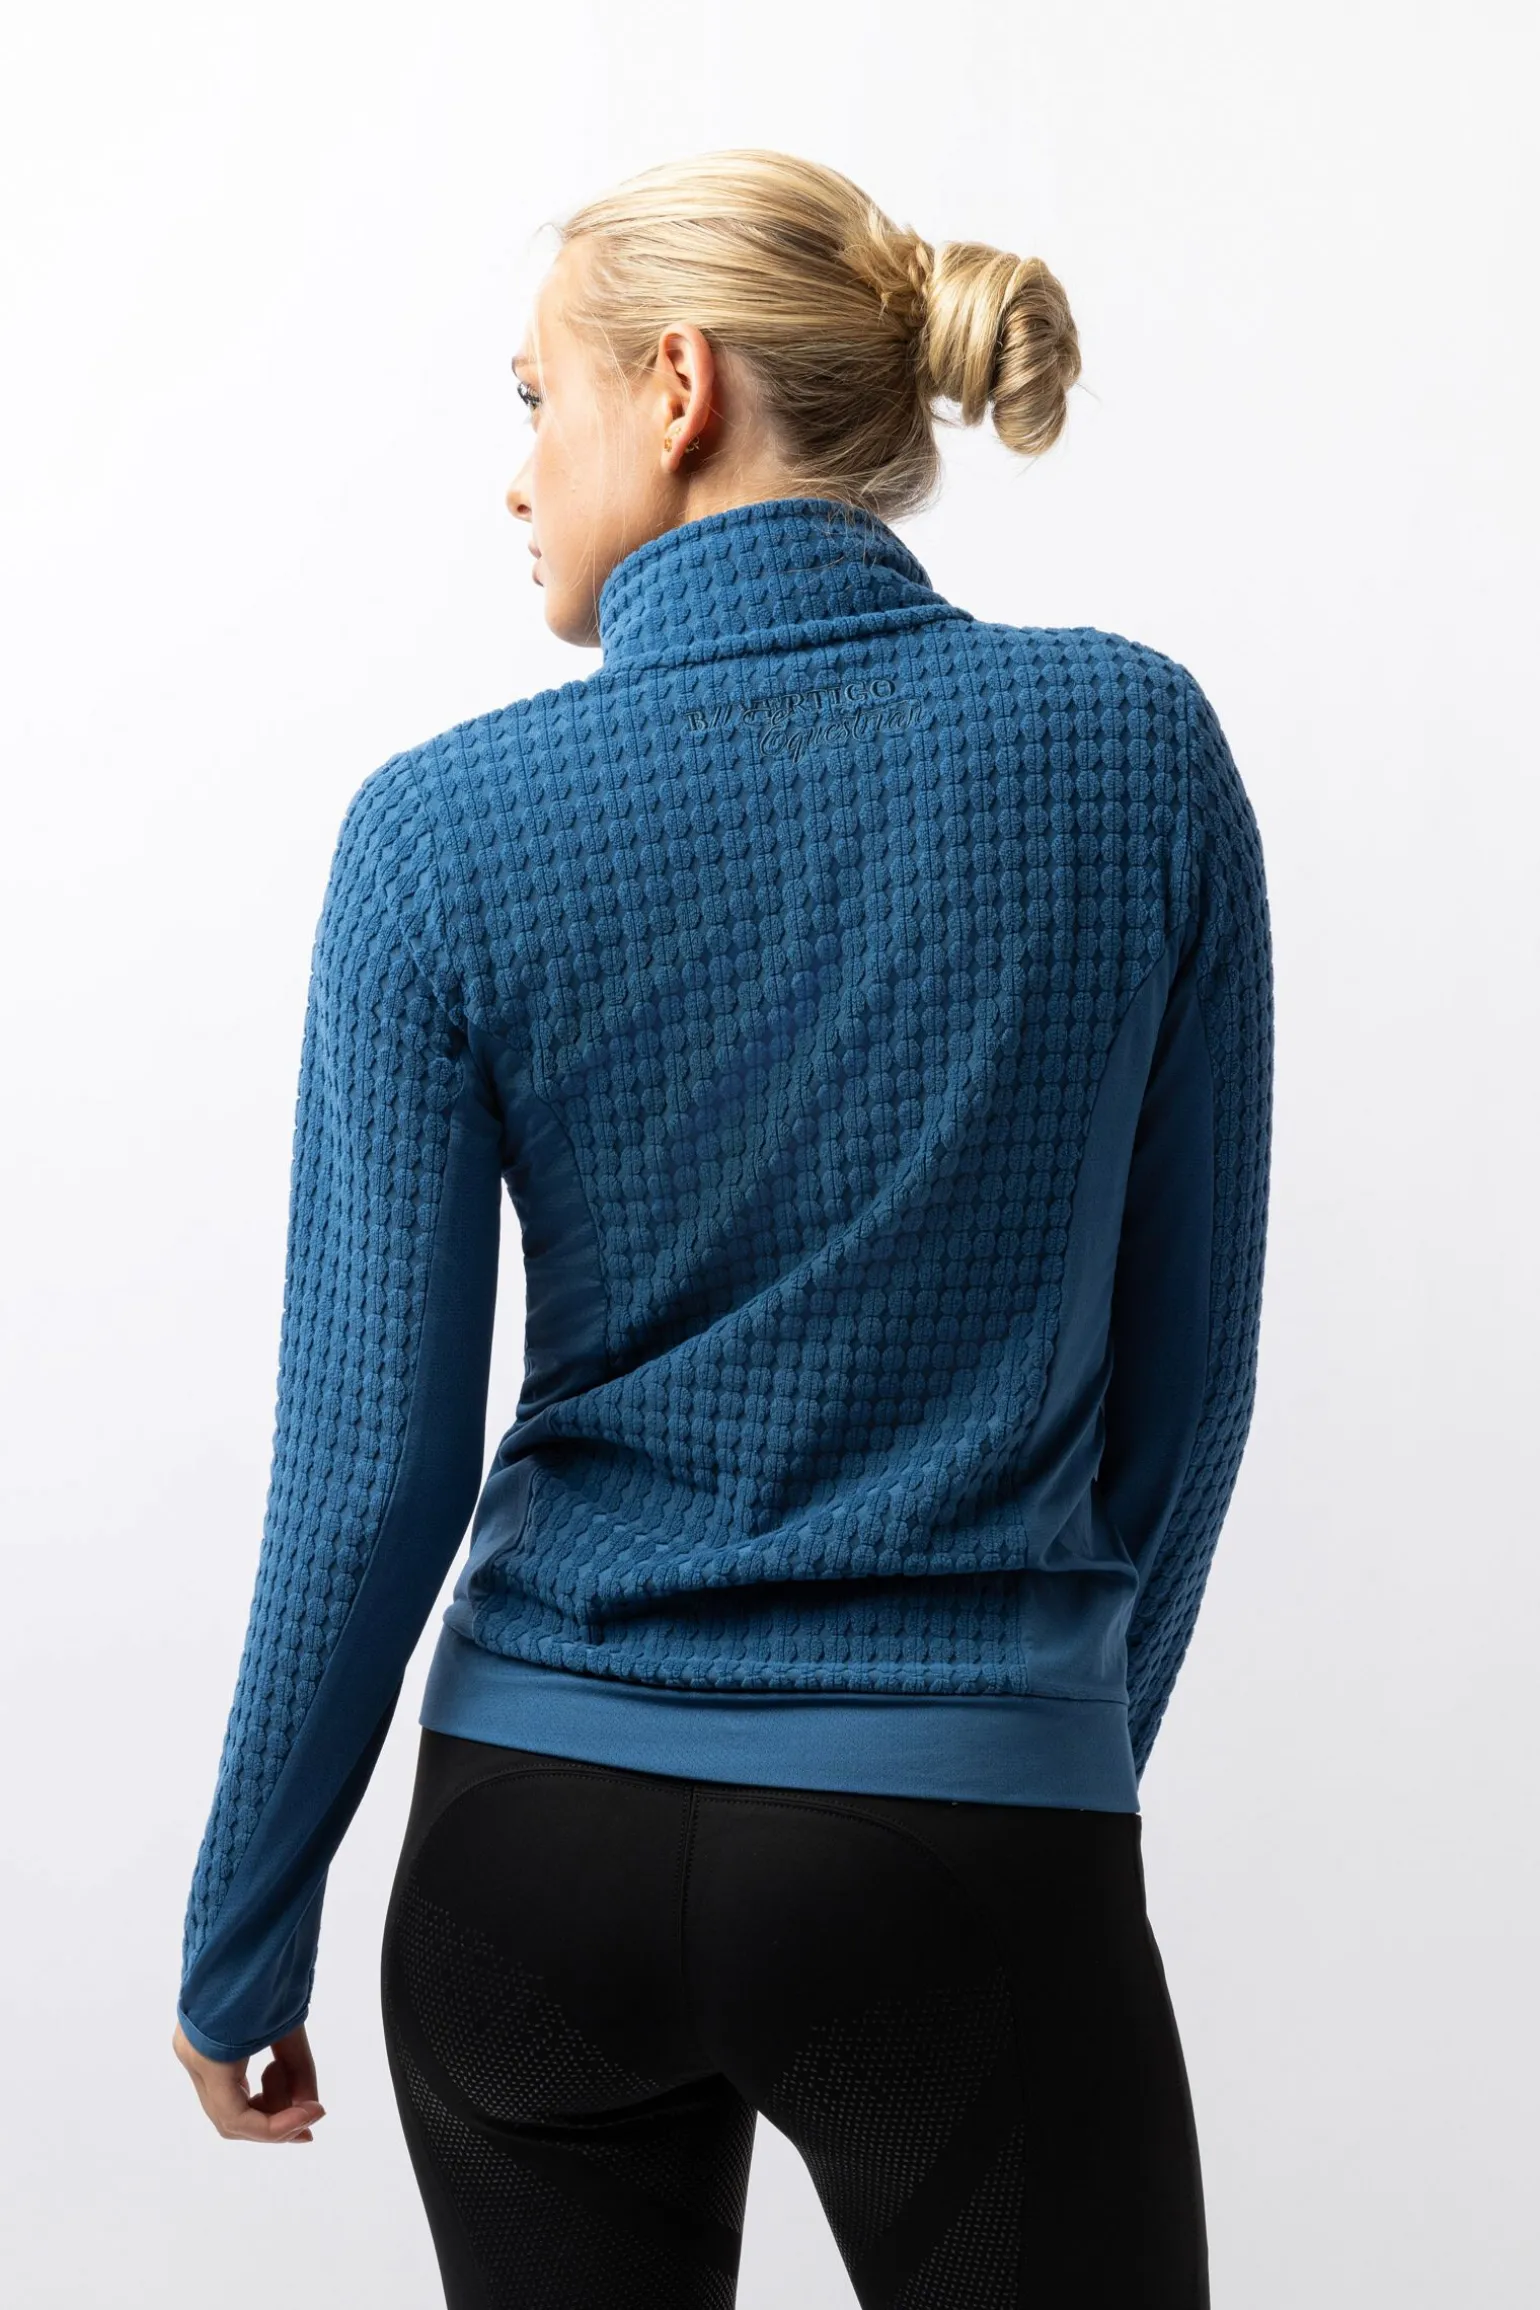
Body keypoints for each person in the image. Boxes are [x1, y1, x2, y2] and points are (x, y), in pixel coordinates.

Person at [172, 146, 1273, 2308]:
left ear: (675, 387)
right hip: (963, 1833)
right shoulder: (1131, 749)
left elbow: (370, 1467)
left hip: (529, 1849)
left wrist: (242, 1927)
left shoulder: (435, 835)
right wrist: (1028, 1790)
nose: (515, 476)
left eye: (533, 400)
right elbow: (1187, 1386)